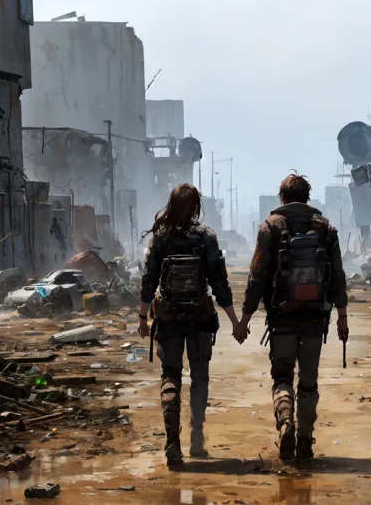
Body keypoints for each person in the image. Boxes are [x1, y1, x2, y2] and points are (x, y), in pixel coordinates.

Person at [138, 183, 248, 469]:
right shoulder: (205, 237)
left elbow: (148, 280)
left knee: (170, 375)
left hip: (169, 318)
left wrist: (142, 318)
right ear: (196, 206)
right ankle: (196, 436)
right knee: (200, 377)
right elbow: (220, 283)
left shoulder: (160, 238)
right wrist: (236, 322)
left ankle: (172, 442)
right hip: (199, 318)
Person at [241, 172, 348, 461]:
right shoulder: (325, 229)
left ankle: (285, 420)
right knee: (309, 383)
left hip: (281, 317)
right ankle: (305, 441)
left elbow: (257, 277)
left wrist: (245, 318)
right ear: (307, 197)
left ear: (283, 198)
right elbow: (337, 276)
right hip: (315, 318)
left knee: (282, 377)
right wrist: (342, 316)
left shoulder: (270, 228)